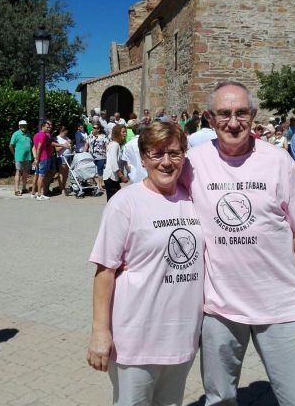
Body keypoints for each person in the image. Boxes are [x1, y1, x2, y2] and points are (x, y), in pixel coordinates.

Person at [185, 81, 295, 405]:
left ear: (254, 114)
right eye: (224, 114)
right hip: (219, 307)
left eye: (241, 113)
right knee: (219, 399)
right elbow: (157, 195)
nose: (233, 122)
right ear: (209, 117)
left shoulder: (278, 162)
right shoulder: (192, 163)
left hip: (281, 305)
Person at [87, 122, 204, 406]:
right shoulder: (125, 204)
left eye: (174, 153)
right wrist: (100, 332)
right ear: (143, 158)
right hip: (136, 338)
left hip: (182, 336)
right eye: (157, 154)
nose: (166, 162)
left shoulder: (194, 199)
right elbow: (104, 272)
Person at [103, 124, 128, 200]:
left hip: (112, 177)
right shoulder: (115, 145)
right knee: (114, 201)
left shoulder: (114, 144)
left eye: (125, 132)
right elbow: (113, 162)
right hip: (111, 177)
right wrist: (122, 176)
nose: (125, 134)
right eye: (123, 132)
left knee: (114, 200)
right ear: (117, 133)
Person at [9, 120, 33, 196]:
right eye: (22, 125)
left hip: (28, 156)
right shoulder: (16, 134)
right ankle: (16, 190)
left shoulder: (28, 133)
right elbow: (11, 145)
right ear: (19, 126)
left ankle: (24, 188)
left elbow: (31, 144)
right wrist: (14, 154)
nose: (23, 126)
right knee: (18, 172)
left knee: (25, 173)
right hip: (19, 157)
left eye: (25, 125)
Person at [89, 124, 109, 193]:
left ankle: (100, 186)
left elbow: (107, 146)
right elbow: (87, 144)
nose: (93, 129)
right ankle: (97, 184)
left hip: (101, 156)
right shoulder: (90, 136)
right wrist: (83, 153)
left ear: (98, 129)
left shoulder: (103, 137)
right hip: (91, 157)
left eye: (94, 128)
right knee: (92, 171)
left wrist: (108, 155)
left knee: (100, 171)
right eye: (93, 128)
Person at [55, 125, 73, 196]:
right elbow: (56, 149)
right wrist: (64, 145)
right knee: (61, 173)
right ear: (61, 131)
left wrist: (70, 145)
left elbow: (70, 148)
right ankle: (61, 188)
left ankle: (63, 187)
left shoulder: (67, 138)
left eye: (66, 133)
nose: (65, 134)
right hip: (61, 157)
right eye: (64, 132)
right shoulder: (57, 138)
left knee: (66, 173)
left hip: (68, 157)